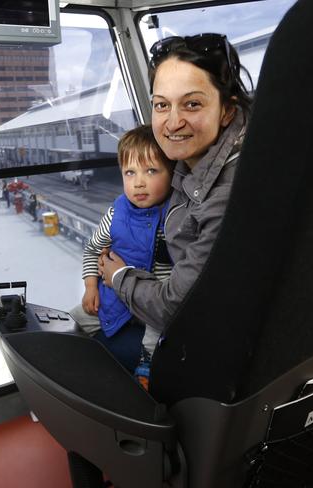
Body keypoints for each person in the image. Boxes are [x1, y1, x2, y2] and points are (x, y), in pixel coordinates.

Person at [98, 34, 253, 387]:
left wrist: (117, 277)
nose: (172, 123)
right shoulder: (191, 160)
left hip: (207, 343)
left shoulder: (228, 195)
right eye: (161, 105)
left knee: (96, 350)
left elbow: (175, 309)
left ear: (227, 110)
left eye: (192, 105)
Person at [70, 125, 174, 383]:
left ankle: (146, 367)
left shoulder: (175, 217)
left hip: (151, 307)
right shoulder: (116, 213)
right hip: (114, 297)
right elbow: (93, 249)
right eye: (130, 172)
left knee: (156, 335)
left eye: (151, 171)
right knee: (70, 321)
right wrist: (91, 287)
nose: (139, 182)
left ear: (172, 172)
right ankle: (65, 378)